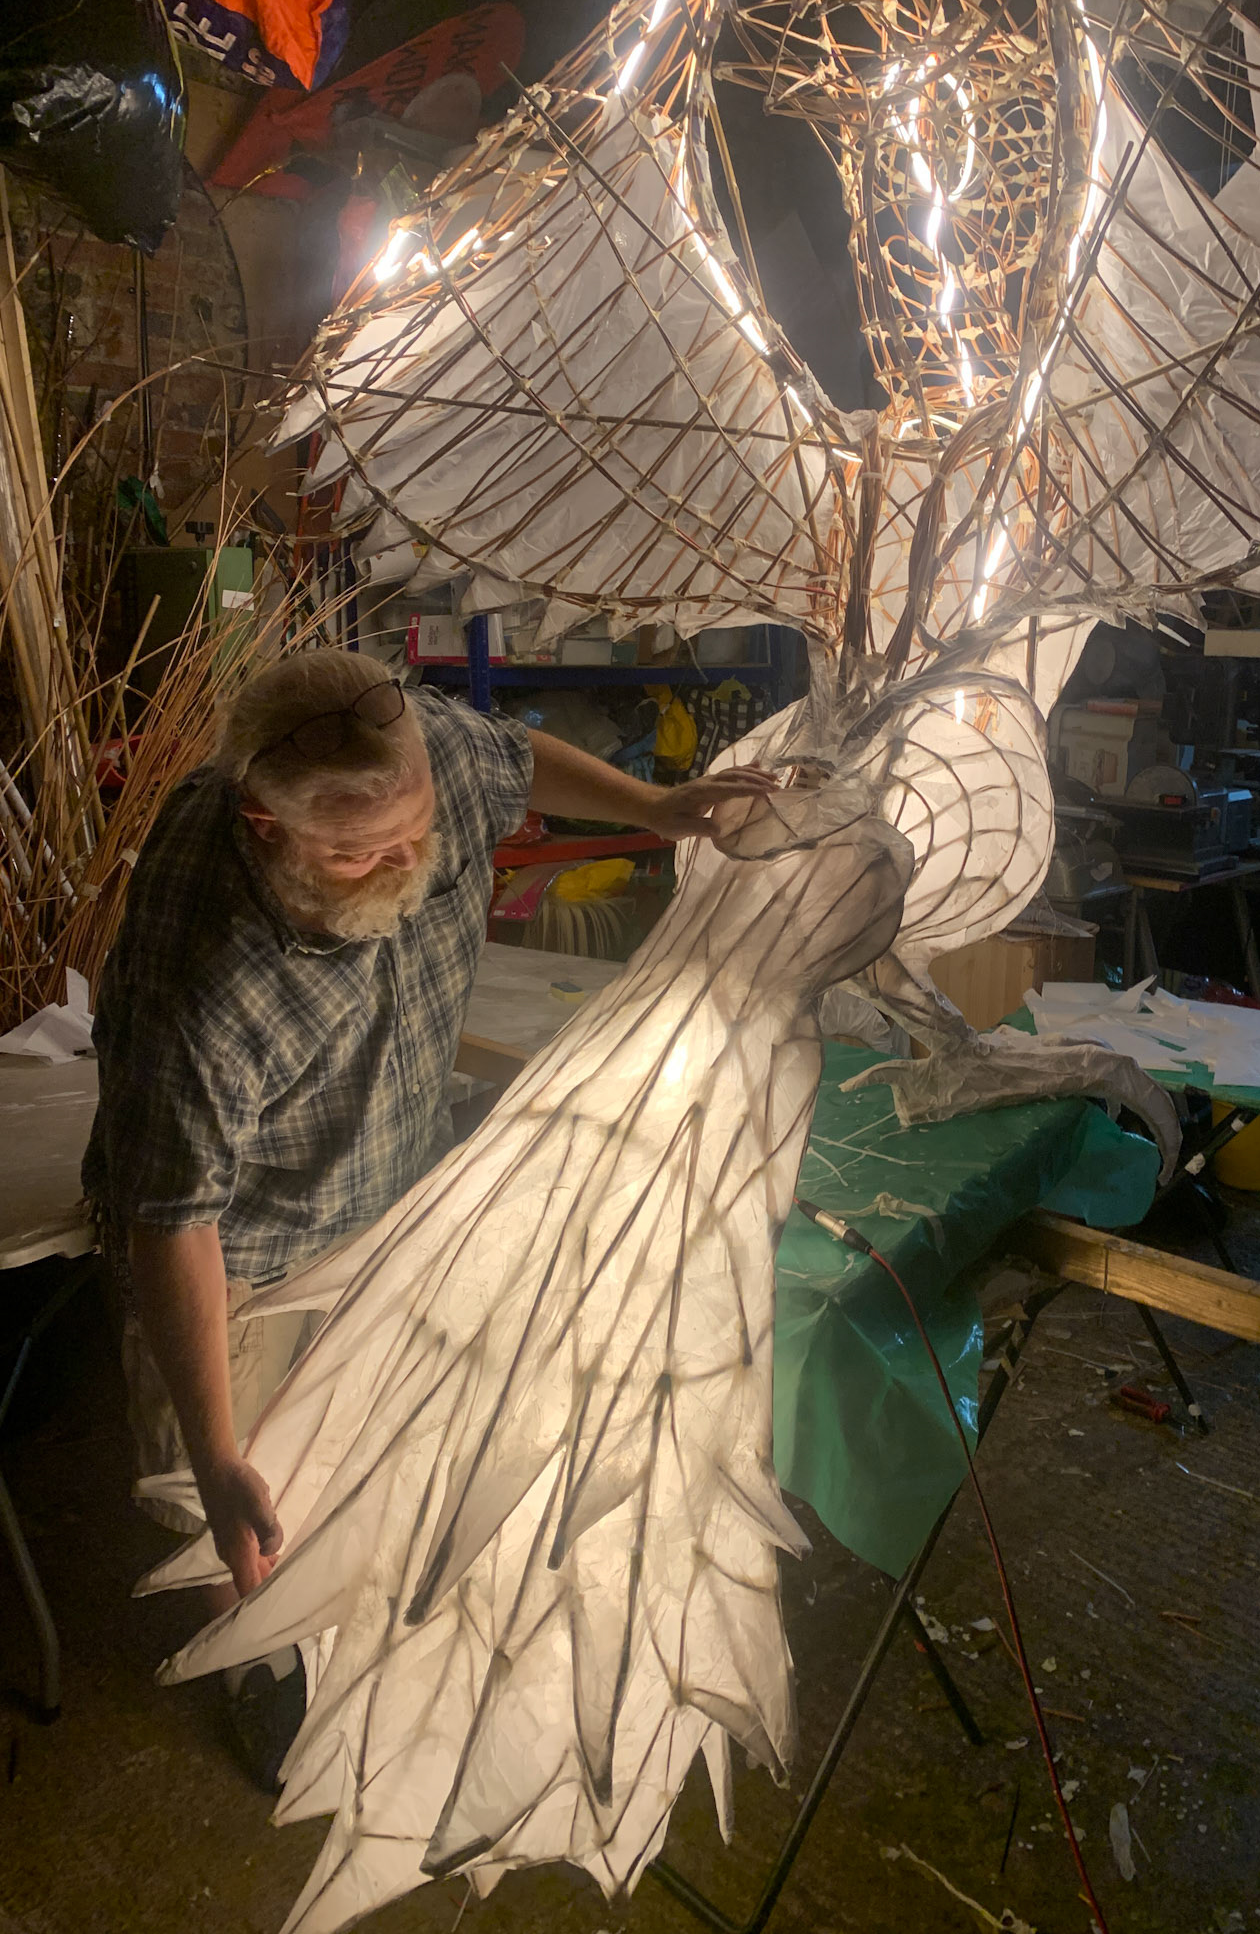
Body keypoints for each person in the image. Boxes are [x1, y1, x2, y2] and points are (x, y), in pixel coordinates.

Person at [84, 645, 773, 1782]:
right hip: (243, 1236)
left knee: (356, 1437)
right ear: (266, 825)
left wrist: (658, 808)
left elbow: (514, 761)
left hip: (387, 1179)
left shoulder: (419, 750)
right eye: (360, 853)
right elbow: (175, 1220)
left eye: (418, 833)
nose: (408, 862)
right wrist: (212, 1451)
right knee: (235, 1497)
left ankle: (340, 1614)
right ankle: (255, 1657)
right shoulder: (206, 978)